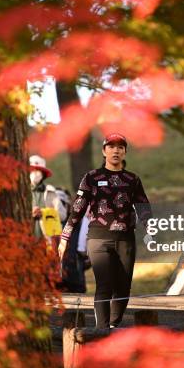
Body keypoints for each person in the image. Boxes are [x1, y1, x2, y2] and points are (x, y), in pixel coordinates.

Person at [58, 133, 152, 329]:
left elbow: (143, 207)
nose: (115, 150)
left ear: (125, 151)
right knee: (104, 285)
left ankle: (113, 325)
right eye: (111, 146)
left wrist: (150, 229)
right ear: (104, 151)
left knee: (123, 287)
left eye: (120, 147)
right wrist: (65, 237)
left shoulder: (132, 180)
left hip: (125, 239)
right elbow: (77, 209)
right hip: (98, 239)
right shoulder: (91, 178)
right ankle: (101, 330)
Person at [29, 155, 67, 249]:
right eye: (32, 170)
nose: (34, 173)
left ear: (43, 174)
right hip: (27, 241)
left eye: (38, 171)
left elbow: (63, 215)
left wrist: (44, 212)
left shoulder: (50, 192)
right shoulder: (21, 192)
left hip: (47, 242)